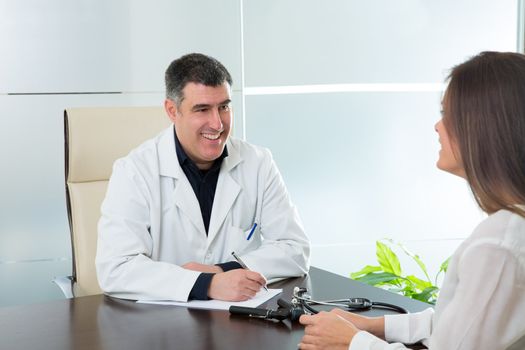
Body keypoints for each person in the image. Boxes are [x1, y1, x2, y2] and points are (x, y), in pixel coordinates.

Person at [298, 51, 525, 349]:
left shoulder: (498, 244)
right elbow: (463, 323)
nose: (436, 126)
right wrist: (373, 326)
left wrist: (351, 342)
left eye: (446, 114)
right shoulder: (512, 225)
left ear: (481, 127)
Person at [95, 53, 310, 302]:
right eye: (202, 109)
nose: (217, 123)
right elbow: (116, 269)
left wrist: (222, 272)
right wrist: (206, 284)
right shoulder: (135, 171)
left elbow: (295, 249)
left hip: (239, 323)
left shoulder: (258, 162)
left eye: (224, 107)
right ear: (172, 110)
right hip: (163, 328)